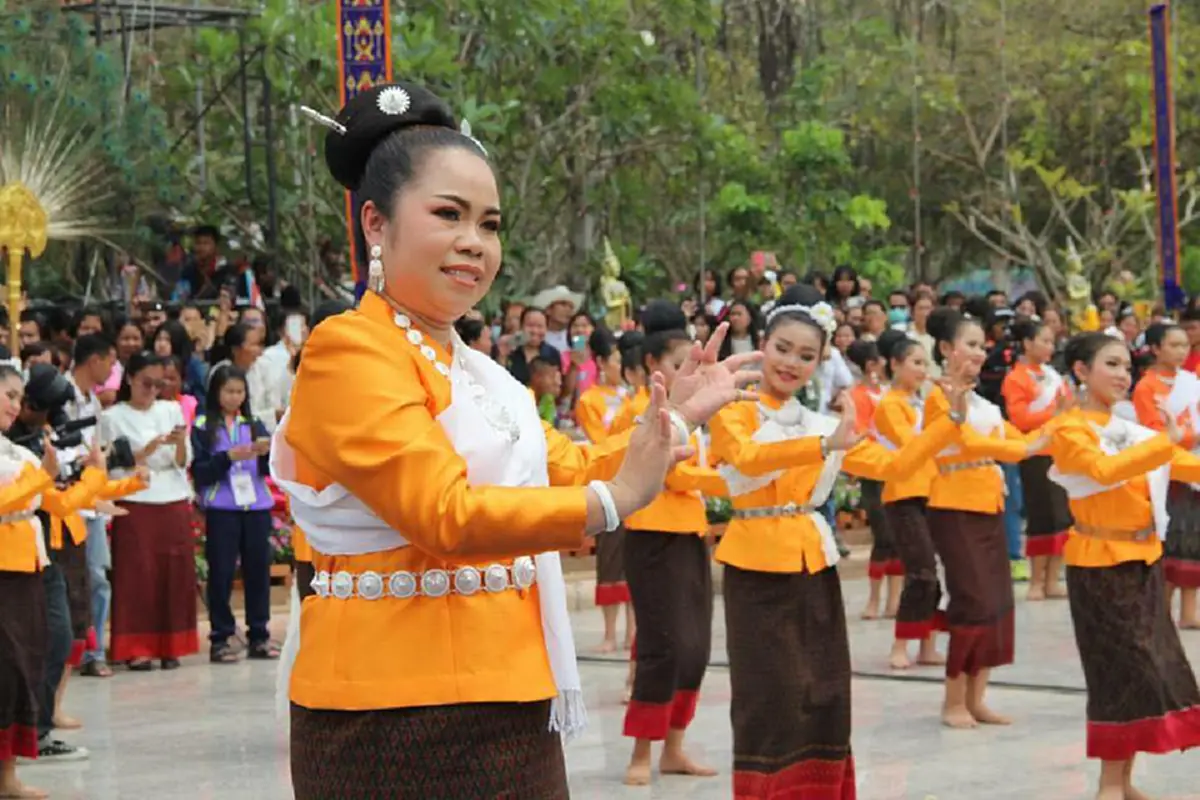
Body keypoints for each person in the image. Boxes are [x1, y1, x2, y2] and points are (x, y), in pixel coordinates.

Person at [277, 80, 757, 798]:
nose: (474, 242)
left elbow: (564, 467)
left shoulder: (479, 373)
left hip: (513, 688)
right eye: (448, 215)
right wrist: (611, 502)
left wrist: (675, 420)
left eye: (490, 224)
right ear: (375, 224)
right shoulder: (349, 349)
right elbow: (444, 512)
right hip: (390, 710)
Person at [708, 286, 972, 799]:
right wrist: (822, 445)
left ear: (820, 361)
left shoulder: (822, 423)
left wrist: (951, 418)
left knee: (824, 691)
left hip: (814, 563)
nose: (791, 363)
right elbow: (743, 459)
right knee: (771, 698)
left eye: (806, 356)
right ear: (762, 344)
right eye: (782, 349)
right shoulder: (734, 408)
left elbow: (894, 465)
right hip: (756, 566)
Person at [1048, 332, 1200, 800]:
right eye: (1110, 364)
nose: (1121, 374)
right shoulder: (1070, 429)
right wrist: (1166, 440)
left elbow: (1182, 464)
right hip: (1100, 564)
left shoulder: (1133, 431)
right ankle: (1110, 786)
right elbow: (1103, 471)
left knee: (1146, 669)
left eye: (1125, 367)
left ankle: (1122, 779)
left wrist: (1171, 444)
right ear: (1080, 371)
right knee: (1117, 672)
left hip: (1143, 560)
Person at [619, 303, 728, 788]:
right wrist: (729, 481)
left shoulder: (701, 417)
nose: (691, 370)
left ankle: (675, 747)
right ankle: (642, 751)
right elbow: (670, 470)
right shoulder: (634, 410)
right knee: (662, 646)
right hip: (650, 533)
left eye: (696, 361)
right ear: (651, 365)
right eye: (681, 360)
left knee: (696, 648)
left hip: (690, 533)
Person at [925, 306, 1049, 728]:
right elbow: (970, 442)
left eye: (982, 346)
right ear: (946, 348)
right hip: (953, 506)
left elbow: (1016, 437)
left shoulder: (983, 402)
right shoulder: (936, 396)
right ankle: (953, 701)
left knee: (996, 602)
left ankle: (978, 698)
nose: (979, 353)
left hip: (988, 503)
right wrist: (1026, 448)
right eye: (970, 344)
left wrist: (1055, 434)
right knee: (972, 601)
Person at [99, 352, 196, 670]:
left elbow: (183, 461)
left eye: (159, 384)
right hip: (136, 499)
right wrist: (149, 449)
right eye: (146, 383)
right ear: (129, 379)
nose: (152, 390)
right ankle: (136, 646)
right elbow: (112, 465)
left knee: (173, 573)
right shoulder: (113, 417)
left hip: (172, 496)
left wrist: (179, 443)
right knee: (137, 576)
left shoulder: (170, 409)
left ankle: (172, 644)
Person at [192, 365, 277, 663]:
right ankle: (221, 636)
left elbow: (270, 470)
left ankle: (259, 634)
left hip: (255, 506)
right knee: (222, 573)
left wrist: (266, 454)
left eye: (239, 391)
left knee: (258, 571)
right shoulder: (204, 424)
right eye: (228, 391)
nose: (234, 397)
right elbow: (200, 471)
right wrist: (227, 458)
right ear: (216, 392)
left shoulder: (254, 423)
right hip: (222, 507)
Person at [873, 331, 946, 670]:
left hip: (934, 490)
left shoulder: (923, 401)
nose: (922, 370)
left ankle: (927, 643)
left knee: (935, 571)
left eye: (924, 363)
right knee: (920, 570)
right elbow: (911, 444)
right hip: (903, 492)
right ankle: (900, 644)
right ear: (895, 364)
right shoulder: (889, 404)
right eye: (915, 362)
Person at [1130, 322, 1200, 628]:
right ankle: (1161, 610)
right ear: (1156, 349)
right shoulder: (1147, 387)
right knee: (1172, 538)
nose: (1182, 351)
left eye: (1185, 345)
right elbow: (1154, 433)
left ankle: (1189, 611)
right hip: (1167, 471)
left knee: (1194, 538)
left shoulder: (1191, 381)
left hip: (1194, 466)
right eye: (1174, 345)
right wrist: (1189, 432)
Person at [1002, 317, 1074, 601]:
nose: (1049, 346)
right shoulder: (1016, 378)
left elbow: (1068, 406)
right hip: (1034, 451)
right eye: (1043, 340)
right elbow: (1020, 418)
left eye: (1051, 341)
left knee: (1062, 516)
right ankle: (1036, 580)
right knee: (1041, 514)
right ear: (1028, 343)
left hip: (1061, 450)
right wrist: (1053, 414)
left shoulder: (1055, 376)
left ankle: (1054, 578)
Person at [573, 330, 632, 653]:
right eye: (615, 361)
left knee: (632, 560)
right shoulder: (588, 400)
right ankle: (610, 632)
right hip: (608, 483)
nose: (620, 367)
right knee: (609, 559)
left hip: (632, 478)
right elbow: (600, 440)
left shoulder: (629, 397)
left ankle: (631, 632)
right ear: (601, 362)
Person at [846, 339, 902, 620]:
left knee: (898, 538)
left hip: (898, 470)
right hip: (875, 471)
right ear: (871, 365)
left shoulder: (892, 392)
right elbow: (858, 430)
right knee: (883, 537)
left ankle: (894, 600)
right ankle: (874, 599)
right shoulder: (856, 395)